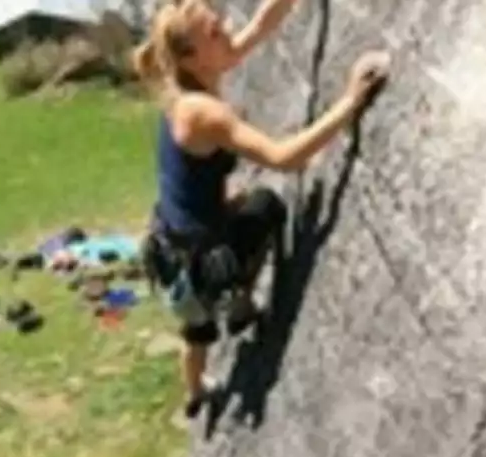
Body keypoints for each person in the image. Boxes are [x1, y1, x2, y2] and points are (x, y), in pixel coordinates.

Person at [134, 0, 390, 419]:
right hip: (200, 256)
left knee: (196, 332)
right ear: (191, 55)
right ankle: (240, 300)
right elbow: (284, 157)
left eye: (218, 21)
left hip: (173, 244)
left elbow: (257, 28)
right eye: (215, 32)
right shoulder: (203, 112)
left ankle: (196, 393)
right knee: (267, 205)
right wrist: (351, 101)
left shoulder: (185, 83)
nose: (226, 29)